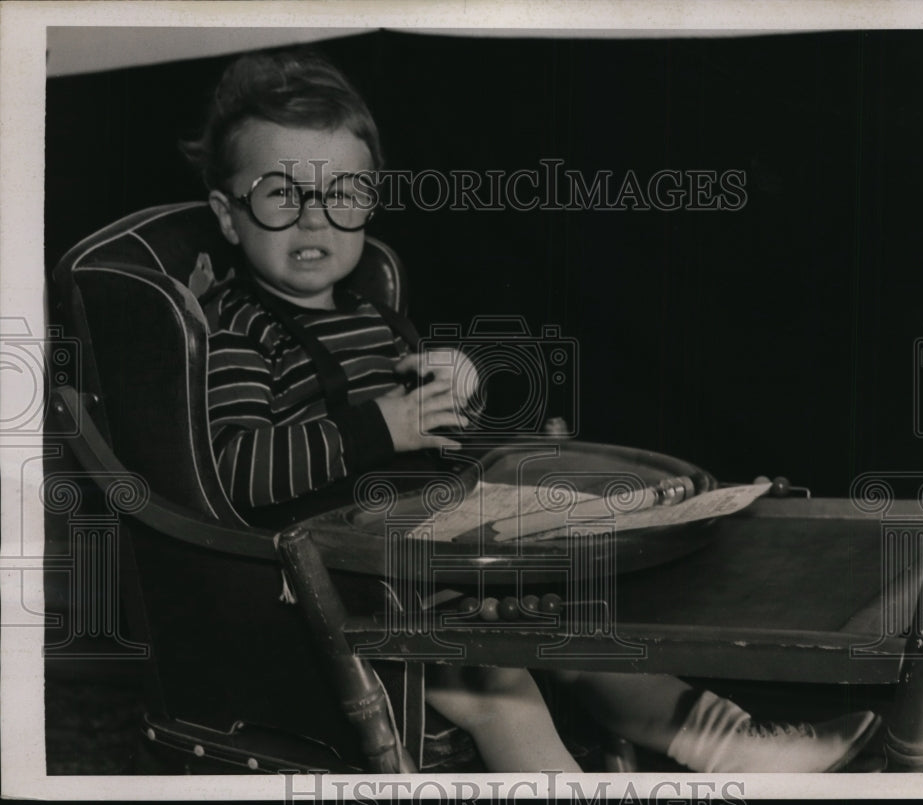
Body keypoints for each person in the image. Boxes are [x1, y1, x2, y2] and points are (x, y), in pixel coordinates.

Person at [185, 48, 879, 773]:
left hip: (427, 554)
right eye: (279, 194)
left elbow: (435, 452)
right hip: (340, 583)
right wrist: (383, 423)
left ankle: (733, 743)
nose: (314, 218)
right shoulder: (240, 331)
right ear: (228, 217)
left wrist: (458, 397)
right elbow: (234, 469)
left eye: (343, 193)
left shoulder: (372, 315)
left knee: (583, 630)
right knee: (494, 677)